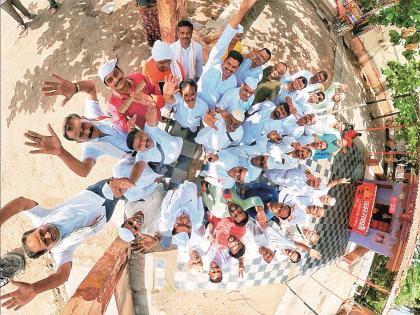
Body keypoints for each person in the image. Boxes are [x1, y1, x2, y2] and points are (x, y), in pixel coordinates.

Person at [0, 178, 128, 310]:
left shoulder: (41, 217)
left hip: (96, 192)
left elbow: (20, 203)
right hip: (105, 212)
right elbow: (62, 276)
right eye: (45, 241)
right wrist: (35, 288)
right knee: (127, 192)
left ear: (36, 228)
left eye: (41, 233)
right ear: (47, 250)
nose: (47, 234)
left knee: (132, 176)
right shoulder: (61, 251)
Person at [33, 77, 137, 178]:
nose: (87, 131)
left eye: (83, 125)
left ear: (83, 118)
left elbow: (90, 87)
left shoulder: (92, 114)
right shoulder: (90, 148)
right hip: (137, 153)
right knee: (119, 173)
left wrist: (75, 87)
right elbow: (84, 171)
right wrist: (61, 153)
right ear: (79, 141)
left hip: (140, 127)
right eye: (81, 135)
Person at [197, 0, 257, 108]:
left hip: (206, 116)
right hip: (191, 104)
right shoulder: (213, 64)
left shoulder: (233, 83)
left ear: (237, 69)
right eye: (229, 64)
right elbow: (224, 40)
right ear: (224, 61)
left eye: (234, 67)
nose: (229, 68)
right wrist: (242, 11)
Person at [99, 59, 162, 131]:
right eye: (110, 80)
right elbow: (121, 123)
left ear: (121, 71)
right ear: (108, 86)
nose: (116, 80)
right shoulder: (114, 106)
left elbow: (154, 89)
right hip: (149, 129)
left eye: (116, 74)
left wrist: (164, 88)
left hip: (159, 114)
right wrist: (128, 125)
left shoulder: (139, 77)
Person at [144, 40, 186, 109]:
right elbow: (146, 80)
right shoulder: (148, 65)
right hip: (157, 100)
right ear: (155, 60)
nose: (166, 65)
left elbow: (183, 85)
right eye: (161, 62)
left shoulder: (177, 69)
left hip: (172, 99)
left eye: (168, 61)